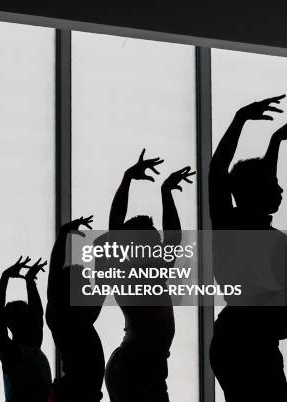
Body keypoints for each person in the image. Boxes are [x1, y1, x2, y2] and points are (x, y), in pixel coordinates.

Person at [209, 95, 287, 402]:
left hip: (258, 344)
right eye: (272, 183)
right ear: (254, 193)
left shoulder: (269, 234)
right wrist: (240, 118)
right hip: (243, 346)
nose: (280, 189)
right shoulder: (232, 226)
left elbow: (259, 179)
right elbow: (218, 171)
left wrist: (275, 140)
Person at [103, 149, 195, 402]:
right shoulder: (128, 275)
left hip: (146, 366)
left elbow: (173, 239)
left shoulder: (153, 272)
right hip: (132, 368)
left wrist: (166, 193)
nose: (158, 244)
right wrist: (127, 179)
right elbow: (114, 228)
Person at [46, 216, 105, 402]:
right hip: (77, 392)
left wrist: (64, 233)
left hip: (77, 390)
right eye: (86, 284)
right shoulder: (77, 317)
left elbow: (55, 271)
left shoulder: (67, 314)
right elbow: (102, 283)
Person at [0, 257, 52, 402]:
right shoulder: (12, 352)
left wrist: (30, 280)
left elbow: (38, 313)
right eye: (26, 314)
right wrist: (4, 277)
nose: (32, 317)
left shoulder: (33, 348)